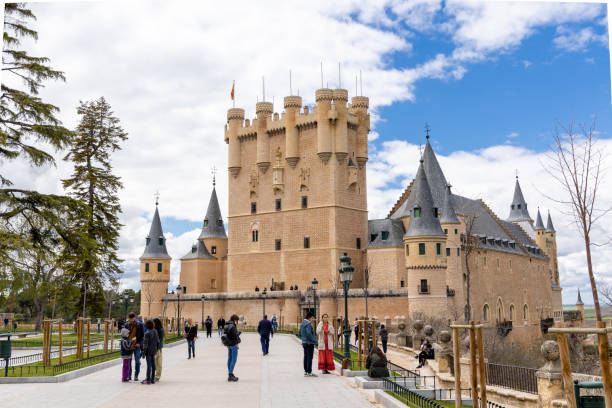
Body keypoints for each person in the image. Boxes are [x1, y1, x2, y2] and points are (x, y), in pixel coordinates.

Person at [299, 312, 317, 377]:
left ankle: (306, 371)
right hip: (309, 343)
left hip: (304, 342)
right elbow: (309, 333)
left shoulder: (302, 323)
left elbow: (299, 333)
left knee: (306, 356)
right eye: (312, 318)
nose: (313, 320)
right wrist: (314, 341)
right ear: (310, 317)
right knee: (309, 357)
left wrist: (303, 339)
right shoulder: (308, 323)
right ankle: (309, 372)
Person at [127, 312, 144, 381]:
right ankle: (129, 375)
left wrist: (139, 343)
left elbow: (142, 336)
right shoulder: (127, 325)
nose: (131, 320)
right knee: (129, 361)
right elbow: (124, 335)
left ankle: (136, 375)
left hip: (137, 345)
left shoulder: (140, 325)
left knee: (137, 361)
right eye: (130, 318)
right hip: (129, 345)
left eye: (132, 318)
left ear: (135, 317)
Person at [224, 314, 241, 382]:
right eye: (237, 320)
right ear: (235, 319)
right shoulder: (233, 326)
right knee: (234, 359)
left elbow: (227, 334)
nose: (237, 322)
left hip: (228, 344)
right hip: (233, 344)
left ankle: (230, 374)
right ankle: (230, 375)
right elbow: (234, 336)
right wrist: (238, 333)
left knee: (230, 359)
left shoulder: (226, 324)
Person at [141, 320, 159, 384]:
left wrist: (143, 354)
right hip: (154, 350)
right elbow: (158, 342)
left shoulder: (147, 333)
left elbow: (145, 345)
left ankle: (148, 379)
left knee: (149, 365)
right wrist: (156, 349)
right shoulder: (156, 331)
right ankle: (152, 379)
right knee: (153, 365)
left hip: (148, 351)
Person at [153, 318, 164, 382]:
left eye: (154, 323)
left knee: (159, 363)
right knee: (154, 363)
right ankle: (153, 375)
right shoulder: (153, 329)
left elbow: (160, 340)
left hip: (158, 349)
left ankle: (157, 376)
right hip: (154, 348)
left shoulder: (160, 330)